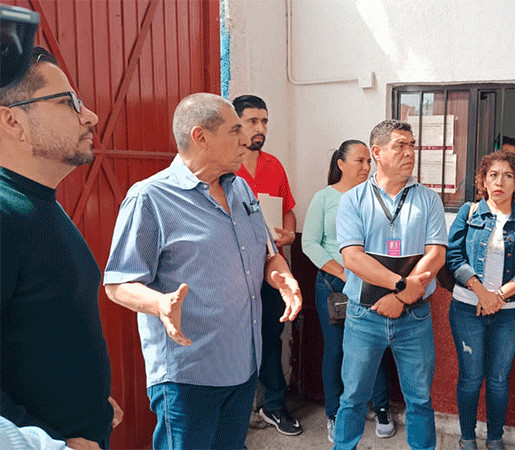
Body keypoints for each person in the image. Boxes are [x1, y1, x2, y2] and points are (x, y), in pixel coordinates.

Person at [103, 93, 302, 449]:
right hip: (189, 374)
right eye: (235, 130)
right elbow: (118, 283)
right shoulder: (149, 198)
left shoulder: (240, 187)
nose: (246, 140)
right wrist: (159, 303)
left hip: (244, 365)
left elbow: (266, 253)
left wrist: (281, 274)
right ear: (201, 137)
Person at [0, 46, 122, 450]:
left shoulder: (40, 204)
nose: (91, 116)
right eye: (69, 102)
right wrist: (50, 442)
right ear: (12, 120)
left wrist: (92, 404)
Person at [333, 119, 447, 450]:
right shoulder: (353, 200)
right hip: (363, 315)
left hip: (415, 318)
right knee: (353, 397)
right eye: (400, 145)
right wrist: (402, 286)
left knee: (420, 400)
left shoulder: (428, 199)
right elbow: (353, 258)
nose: (409, 152)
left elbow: (436, 254)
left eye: (412, 145)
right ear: (377, 152)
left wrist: (404, 297)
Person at [446, 151, 515, 450]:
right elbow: (453, 255)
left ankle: (494, 438)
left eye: (507, 176)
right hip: (467, 307)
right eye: (493, 175)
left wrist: (499, 296)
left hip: (509, 311)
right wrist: (481, 293)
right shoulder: (469, 212)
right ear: (483, 180)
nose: (499, 181)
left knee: (499, 380)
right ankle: (466, 438)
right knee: (470, 379)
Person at [301, 140, 395, 442]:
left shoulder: (374, 197)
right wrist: (343, 271)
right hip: (334, 285)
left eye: (369, 161)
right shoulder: (324, 198)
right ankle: (334, 413)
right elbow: (310, 243)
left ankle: (381, 407)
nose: (367, 167)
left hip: (371, 283)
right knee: (337, 350)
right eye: (359, 161)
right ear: (340, 164)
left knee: (375, 346)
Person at [231, 94, 303, 435]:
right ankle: (237, 416)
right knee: (236, 341)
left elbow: (287, 208)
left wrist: (288, 234)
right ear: (235, 124)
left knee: (271, 338)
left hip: (273, 272)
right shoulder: (226, 168)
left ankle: (274, 406)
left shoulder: (274, 165)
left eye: (264, 121)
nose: (260, 128)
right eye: (252, 121)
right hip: (234, 273)